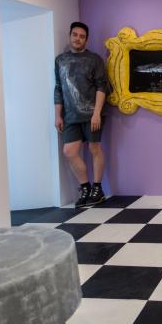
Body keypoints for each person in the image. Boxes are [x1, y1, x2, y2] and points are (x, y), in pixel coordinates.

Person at [54, 22, 108, 207]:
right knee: (69, 151)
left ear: (86, 39)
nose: (78, 39)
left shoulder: (94, 59)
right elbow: (58, 88)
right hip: (70, 115)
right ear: (70, 36)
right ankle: (85, 187)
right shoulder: (60, 60)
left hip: (92, 113)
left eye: (82, 36)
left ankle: (97, 189)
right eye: (75, 35)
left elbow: (102, 86)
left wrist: (97, 113)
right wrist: (58, 115)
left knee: (94, 149)